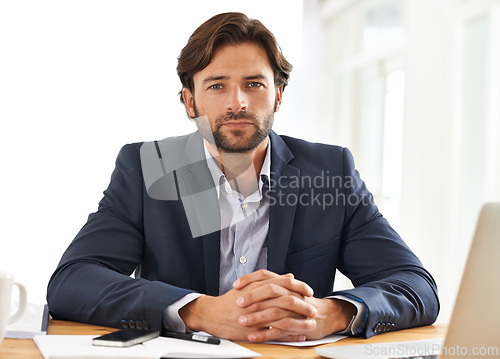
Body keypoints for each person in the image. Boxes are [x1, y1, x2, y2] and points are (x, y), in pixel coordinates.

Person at [47, 12, 439, 342]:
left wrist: (330, 312)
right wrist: (198, 311)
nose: (238, 102)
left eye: (254, 84)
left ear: (279, 95)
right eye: (217, 86)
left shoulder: (329, 171)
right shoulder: (150, 166)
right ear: (190, 101)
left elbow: (415, 284)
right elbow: (73, 280)